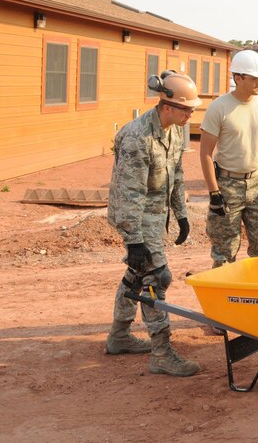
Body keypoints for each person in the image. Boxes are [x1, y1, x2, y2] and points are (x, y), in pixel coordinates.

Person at [106, 71, 201, 376]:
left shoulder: (172, 131)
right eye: (186, 109)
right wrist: (133, 239)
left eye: (192, 109)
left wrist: (181, 213)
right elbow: (129, 191)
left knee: (136, 274)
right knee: (156, 277)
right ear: (166, 104)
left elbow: (177, 174)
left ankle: (119, 337)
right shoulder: (137, 137)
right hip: (137, 216)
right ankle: (161, 353)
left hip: (156, 214)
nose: (191, 114)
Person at [199, 49, 258, 269]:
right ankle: (225, 300)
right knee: (224, 253)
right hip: (228, 187)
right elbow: (205, 154)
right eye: (255, 78)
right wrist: (214, 193)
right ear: (238, 78)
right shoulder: (219, 108)